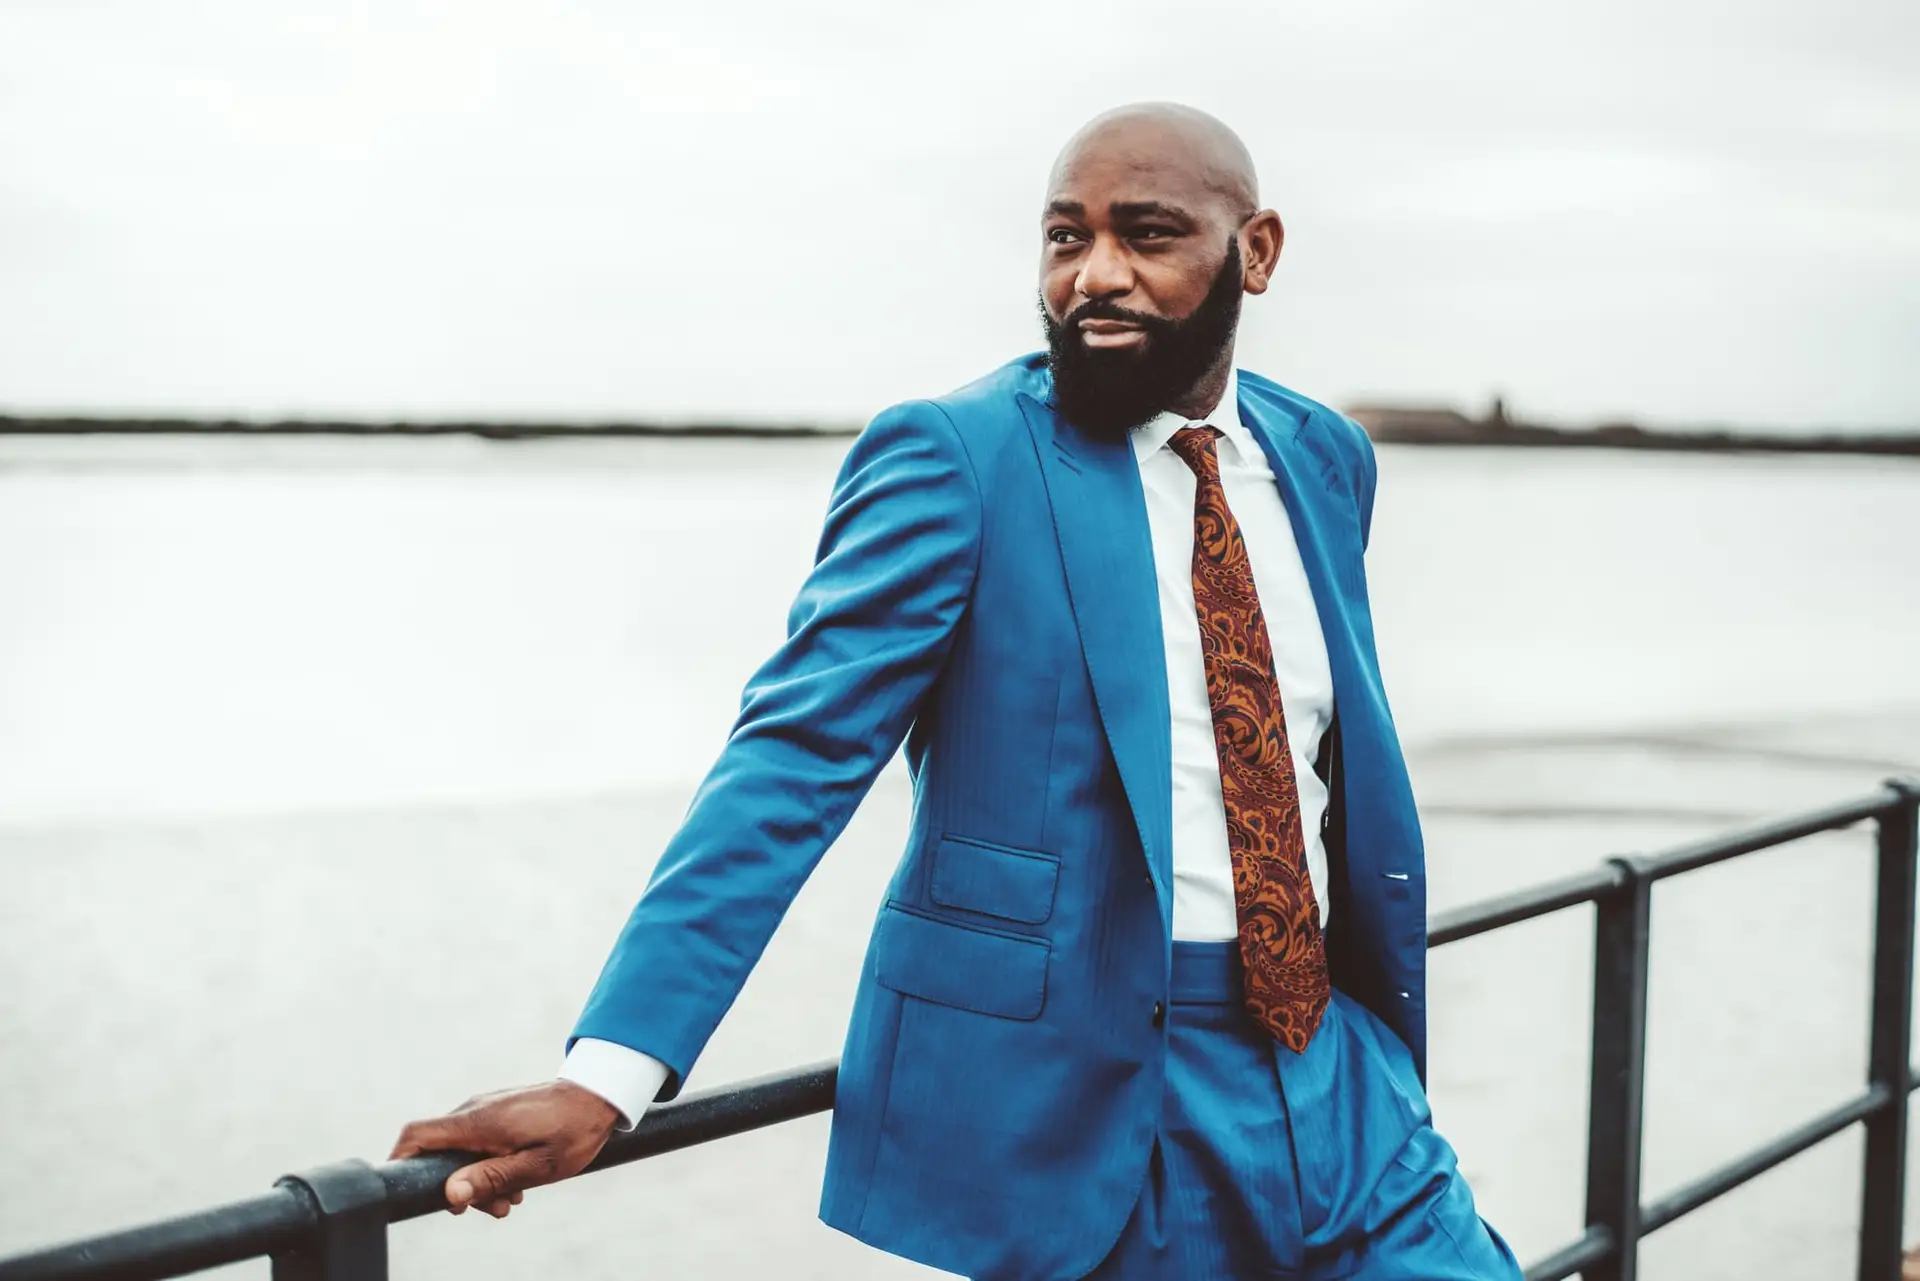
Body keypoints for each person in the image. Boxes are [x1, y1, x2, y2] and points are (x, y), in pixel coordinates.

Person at [390, 102, 1523, 1280]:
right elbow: (789, 763)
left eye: (1148, 236)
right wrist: (609, 1075)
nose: (1098, 275)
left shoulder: (1323, 458)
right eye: (1065, 237)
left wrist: (1367, 1046)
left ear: (1257, 252)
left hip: (1335, 1073)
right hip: (1104, 1106)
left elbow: (1315, 756)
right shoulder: (957, 458)